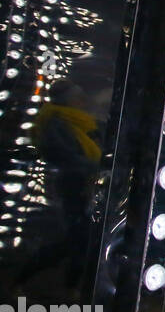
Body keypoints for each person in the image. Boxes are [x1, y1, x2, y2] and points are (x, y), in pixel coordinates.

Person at [9, 79, 102, 296]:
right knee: (75, 239)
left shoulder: (80, 122)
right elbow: (63, 156)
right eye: (77, 97)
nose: (82, 101)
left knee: (80, 238)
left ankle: (70, 287)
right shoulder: (57, 123)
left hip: (83, 184)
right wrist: (95, 166)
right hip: (71, 186)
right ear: (67, 100)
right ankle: (29, 280)